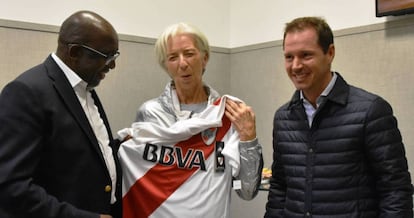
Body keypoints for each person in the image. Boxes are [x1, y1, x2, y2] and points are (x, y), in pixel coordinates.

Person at [265, 16, 413, 218]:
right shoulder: (283, 118)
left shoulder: (371, 111)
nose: (296, 66)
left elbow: (395, 190)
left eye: (306, 55)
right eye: (289, 57)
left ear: (330, 53)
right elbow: (280, 188)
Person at [117, 22, 263, 218]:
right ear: (165, 65)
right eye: (173, 57)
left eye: (189, 53)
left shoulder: (228, 115)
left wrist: (249, 138)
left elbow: (247, 191)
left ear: (205, 57)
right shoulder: (150, 113)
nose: (182, 63)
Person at [0, 10, 124, 218]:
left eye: (114, 56)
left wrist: (125, 146)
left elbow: (79, 152)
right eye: (106, 56)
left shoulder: (84, 89)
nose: (112, 65)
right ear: (74, 52)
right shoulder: (26, 93)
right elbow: (11, 186)